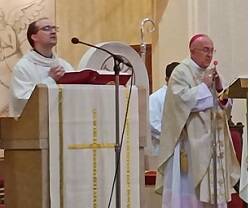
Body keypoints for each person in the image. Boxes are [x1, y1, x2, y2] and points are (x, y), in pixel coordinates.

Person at [155, 34, 240, 207]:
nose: (209, 55)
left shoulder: (212, 73)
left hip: (213, 143)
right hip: (189, 145)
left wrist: (220, 90)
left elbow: (222, 106)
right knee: (191, 197)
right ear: (192, 51)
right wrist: (203, 86)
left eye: (211, 50)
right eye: (205, 50)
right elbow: (180, 102)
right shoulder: (181, 72)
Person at [9, 17, 74, 117]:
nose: (53, 32)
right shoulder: (23, 67)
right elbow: (22, 100)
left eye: (54, 28)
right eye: (47, 28)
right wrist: (51, 80)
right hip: (34, 124)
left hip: (63, 120)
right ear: (34, 37)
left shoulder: (64, 65)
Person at [149, 62, 179, 156]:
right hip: (162, 147)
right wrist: (173, 136)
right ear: (167, 79)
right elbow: (153, 124)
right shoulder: (155, 98)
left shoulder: (183, 96)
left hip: (182, 147)